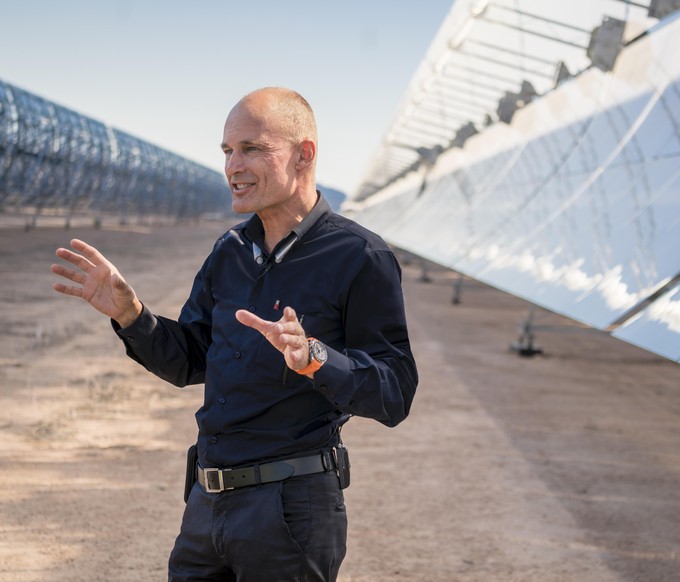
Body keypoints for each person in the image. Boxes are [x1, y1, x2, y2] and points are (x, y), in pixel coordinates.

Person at [51, 87, 418, 581]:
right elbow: (191, 359)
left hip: (289, 512)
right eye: (227, 151)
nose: (232, 166)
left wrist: (314, 356)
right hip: (207, 503)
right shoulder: (229, 252)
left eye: (251, 149)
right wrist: (133, 315)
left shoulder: (359, 257)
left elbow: (395, 391)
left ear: (303, 154)